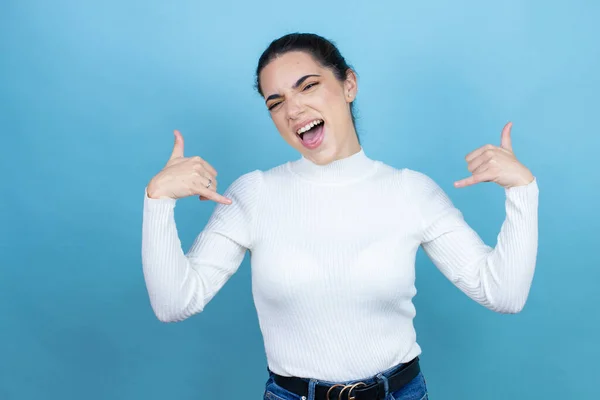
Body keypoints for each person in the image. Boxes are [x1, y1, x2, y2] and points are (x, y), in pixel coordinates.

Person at [141, 33, 539, 400]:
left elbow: (502, 293)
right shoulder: (254, 194)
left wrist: (523, 190)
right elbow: (174, 303)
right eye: (275, 102)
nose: (293, 109)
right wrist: (158, 200)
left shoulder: (410, 191)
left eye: (308, 85)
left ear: (349, 84)